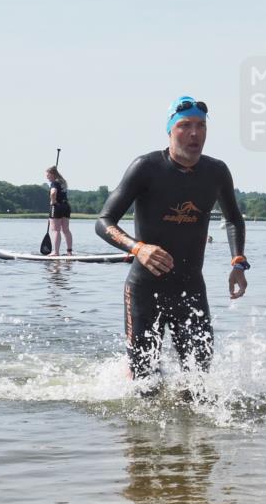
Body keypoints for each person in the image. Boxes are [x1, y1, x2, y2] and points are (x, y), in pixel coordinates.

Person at [95, 96, 248, 381]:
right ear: (169, 130)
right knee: (145, 383)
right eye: (185, 125)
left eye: (201, 126)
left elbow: (234, 219)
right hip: (145, 290)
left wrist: (238, 262)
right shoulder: (146, 167)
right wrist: (137, 247)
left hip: (190, 290)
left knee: (199, 381)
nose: (194, 133)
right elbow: (103, 221)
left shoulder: (216, 172)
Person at [47, 165, 73, 255]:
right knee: (66, 230)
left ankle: (56, 252)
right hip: (66, 206)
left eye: (48, 175)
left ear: (53, 175)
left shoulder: (54, 183)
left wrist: (53, 202)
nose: (47, 177)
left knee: (55, 230)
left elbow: (53, 192)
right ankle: (69, 252)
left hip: (57, 207)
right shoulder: (63, 182)